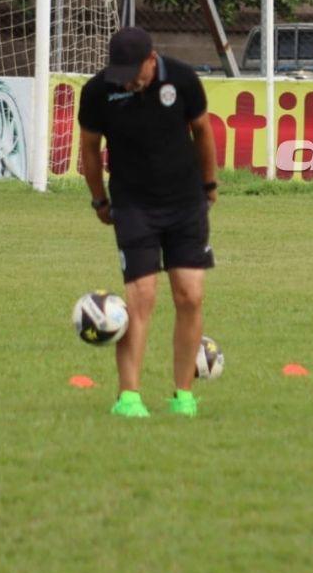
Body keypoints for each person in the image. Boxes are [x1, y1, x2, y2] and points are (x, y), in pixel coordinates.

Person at [77, 27, 218, 419]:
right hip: (133, 203)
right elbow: (89, 148)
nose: (128, 80)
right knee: (141, 298)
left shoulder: (184, 79)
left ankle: (183, 395)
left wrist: (209, 184)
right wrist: (98, 198)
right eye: (120, 72)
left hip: (185, 201)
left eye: (134, 71)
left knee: (190, 295)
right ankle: (129, 398)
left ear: (152, 60)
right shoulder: (97, 91)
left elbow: (203, 131)